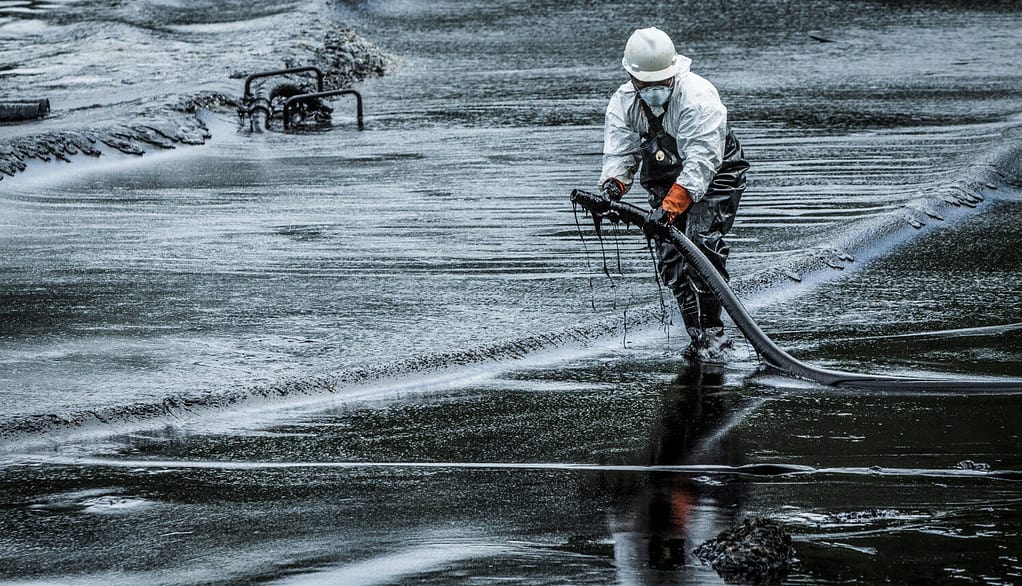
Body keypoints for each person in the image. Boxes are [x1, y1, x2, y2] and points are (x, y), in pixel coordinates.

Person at [598, 26, 749, 362]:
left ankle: (714, 335)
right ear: (632, 79)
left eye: (661, 84)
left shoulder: (697, 97)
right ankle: (697, 337)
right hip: (664, 176)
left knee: (700, 245)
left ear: (674, 74)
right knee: (672, 259)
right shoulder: (623, 104)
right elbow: (621, 155)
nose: (654, 91)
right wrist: (614, 187)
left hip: (716, 174)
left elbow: (701, 163)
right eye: (646, 86)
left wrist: (670, 209)